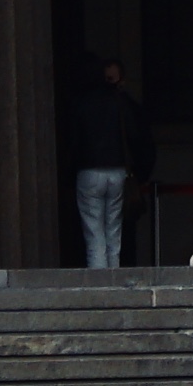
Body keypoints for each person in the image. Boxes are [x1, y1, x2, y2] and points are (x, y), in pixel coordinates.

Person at [63, 53, 150, 268]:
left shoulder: (80, 103)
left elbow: (73, 142)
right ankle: (114, 279)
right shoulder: (120, 103)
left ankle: (100, 284)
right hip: (118, 171)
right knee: (114, 232)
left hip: (89, 172)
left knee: (94, 234)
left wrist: (68, 174)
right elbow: (136, 136)